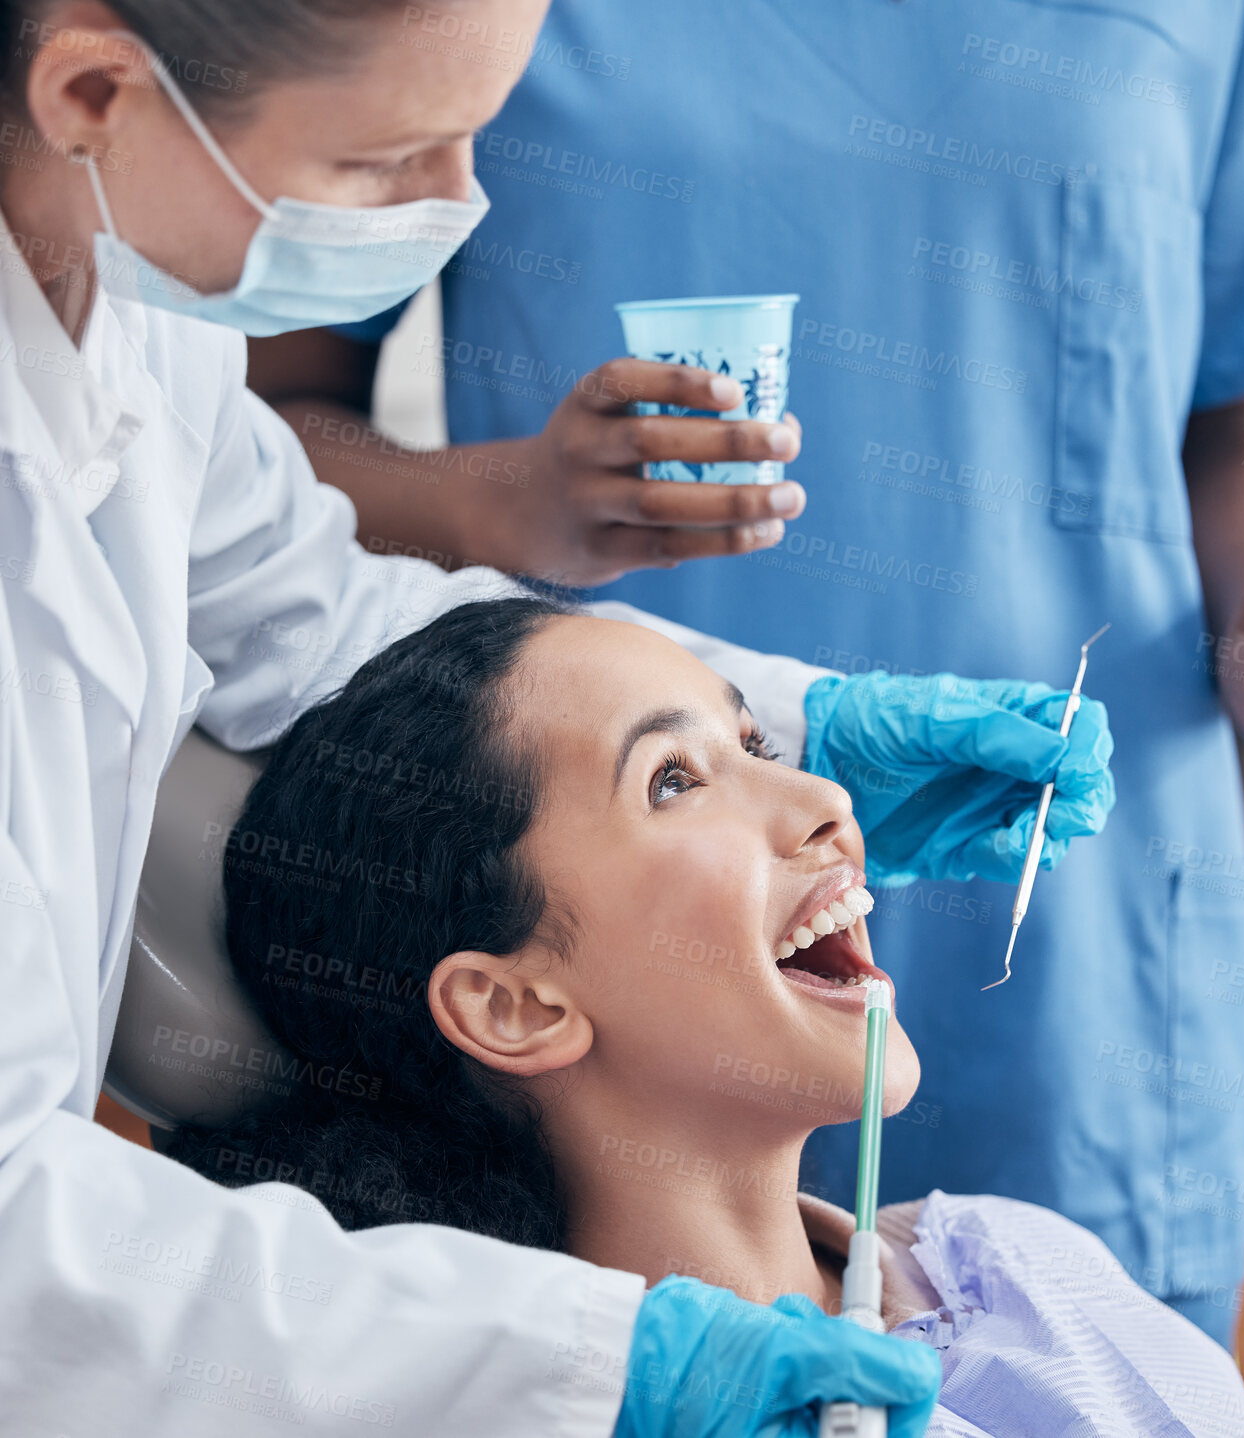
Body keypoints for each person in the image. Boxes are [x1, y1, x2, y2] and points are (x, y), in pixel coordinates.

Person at [0, 2, 1114, 1433]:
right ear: (95, 92)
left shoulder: (141, 318)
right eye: (383, 159)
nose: (456, 203)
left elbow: (318, 624)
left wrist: (807, 725)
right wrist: (593, 1368)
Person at [256, 0, 1244, 1345]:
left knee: (1086, 1354)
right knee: (645, 1355)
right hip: (615, 970)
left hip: (1078, 939)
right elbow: (245, 455)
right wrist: (513, 497)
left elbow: (1225, 404)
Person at [169, 597, 1244, 1438]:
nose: (827, 804)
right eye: (675, 779)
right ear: (512, 1004)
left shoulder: (1002, 1254)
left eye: (758, 748)